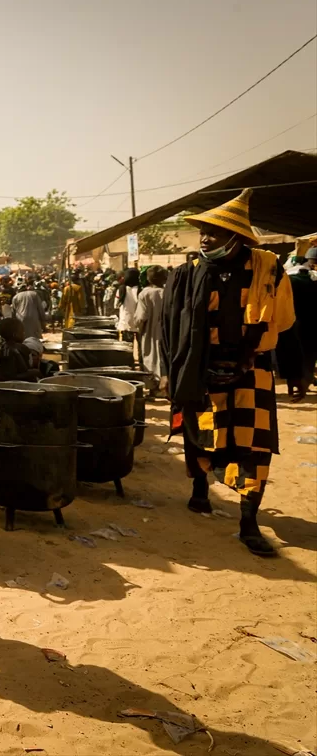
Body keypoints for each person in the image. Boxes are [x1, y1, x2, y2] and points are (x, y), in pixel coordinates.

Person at [162, 189, 294, 557]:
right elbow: (171, 329)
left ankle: (248, 523)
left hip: (252, 374)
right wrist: (174, 373)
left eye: (215, 232)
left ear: (236, 236)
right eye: (203, 231)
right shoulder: (186, 275)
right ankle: (201, 488)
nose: (205, 238)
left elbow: (281, 322)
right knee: (201, 435)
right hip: (200, 372)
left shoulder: (268, 272)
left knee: (254, 447)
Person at [277, 247, 317, 402]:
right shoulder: (312, 279)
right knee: (309, 355)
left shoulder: (288, 278)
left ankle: (297, 379)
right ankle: (304, 382)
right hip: (311, 324)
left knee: (295, 352)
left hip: (292, 322)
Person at [134, 266, 168, 397]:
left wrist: (139, 329)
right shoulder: (167, 292)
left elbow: (140, 317)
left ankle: (154, 388)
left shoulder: (145, 294)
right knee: (163, 357)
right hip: (166, 332)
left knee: (150, 357)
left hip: (150, 332)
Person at [116, 267, 141, 346]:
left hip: (125, 322)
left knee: (127, 347)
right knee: (141, 347)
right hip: (139, 323)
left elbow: (116, 305)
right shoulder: (141, 290)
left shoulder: (121, 289)